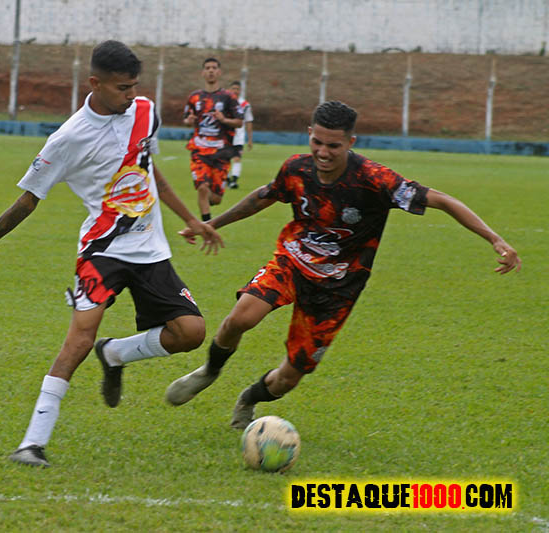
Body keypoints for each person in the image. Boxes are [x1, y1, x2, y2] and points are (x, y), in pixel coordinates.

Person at [165, 100, 522, 430]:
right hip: (293, 261)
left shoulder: (375, 179)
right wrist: (213, 224)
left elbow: (442, 200)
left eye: (333, 146)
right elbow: (263, 197)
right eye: (317, 142)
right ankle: (209, 371)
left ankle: (249, 398)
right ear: (310, 134)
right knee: (241, 317)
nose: (323, 152)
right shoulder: (296, 168)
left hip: (338, 288)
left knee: (289, 378)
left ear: (351, 141)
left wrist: (495, 239)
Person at [0, 40, 223, 467]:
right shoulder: (67, 138)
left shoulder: (144, 112)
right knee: (79, 338)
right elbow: (28, 199)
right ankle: (32, 443)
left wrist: (191, 219)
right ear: (95, 83)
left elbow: (149, 169)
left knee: (190, 332)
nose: (131, 96)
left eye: (134, 86)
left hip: (150, 250)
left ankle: (115, 353)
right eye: (122, 88)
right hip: (102, 251)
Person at [183, 58, 243, 221]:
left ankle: (208, 207)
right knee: (202, 188)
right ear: (203, 72)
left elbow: (239, 122)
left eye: (214, 68)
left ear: (219, 72)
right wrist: (189, 121)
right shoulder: (194, 97)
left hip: (221, 152)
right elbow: (187, 119)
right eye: (207, 68)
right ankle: (206, 226)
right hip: (199, 150)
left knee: (216, 199)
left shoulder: (228, 97)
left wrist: (224, 120)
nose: (210, 70)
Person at [227, 80, 254, 190]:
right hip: (225, 135)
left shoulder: (245, 105)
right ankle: (227, 180)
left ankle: (233, 181)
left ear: (240, 91)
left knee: (237, 158)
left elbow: (248, 121)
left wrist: (250, 139)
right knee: (224, 159)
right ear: (229, 89)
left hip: (238, 137)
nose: (235, 91)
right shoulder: (225, 101)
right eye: (233, 88)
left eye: (237, 89)